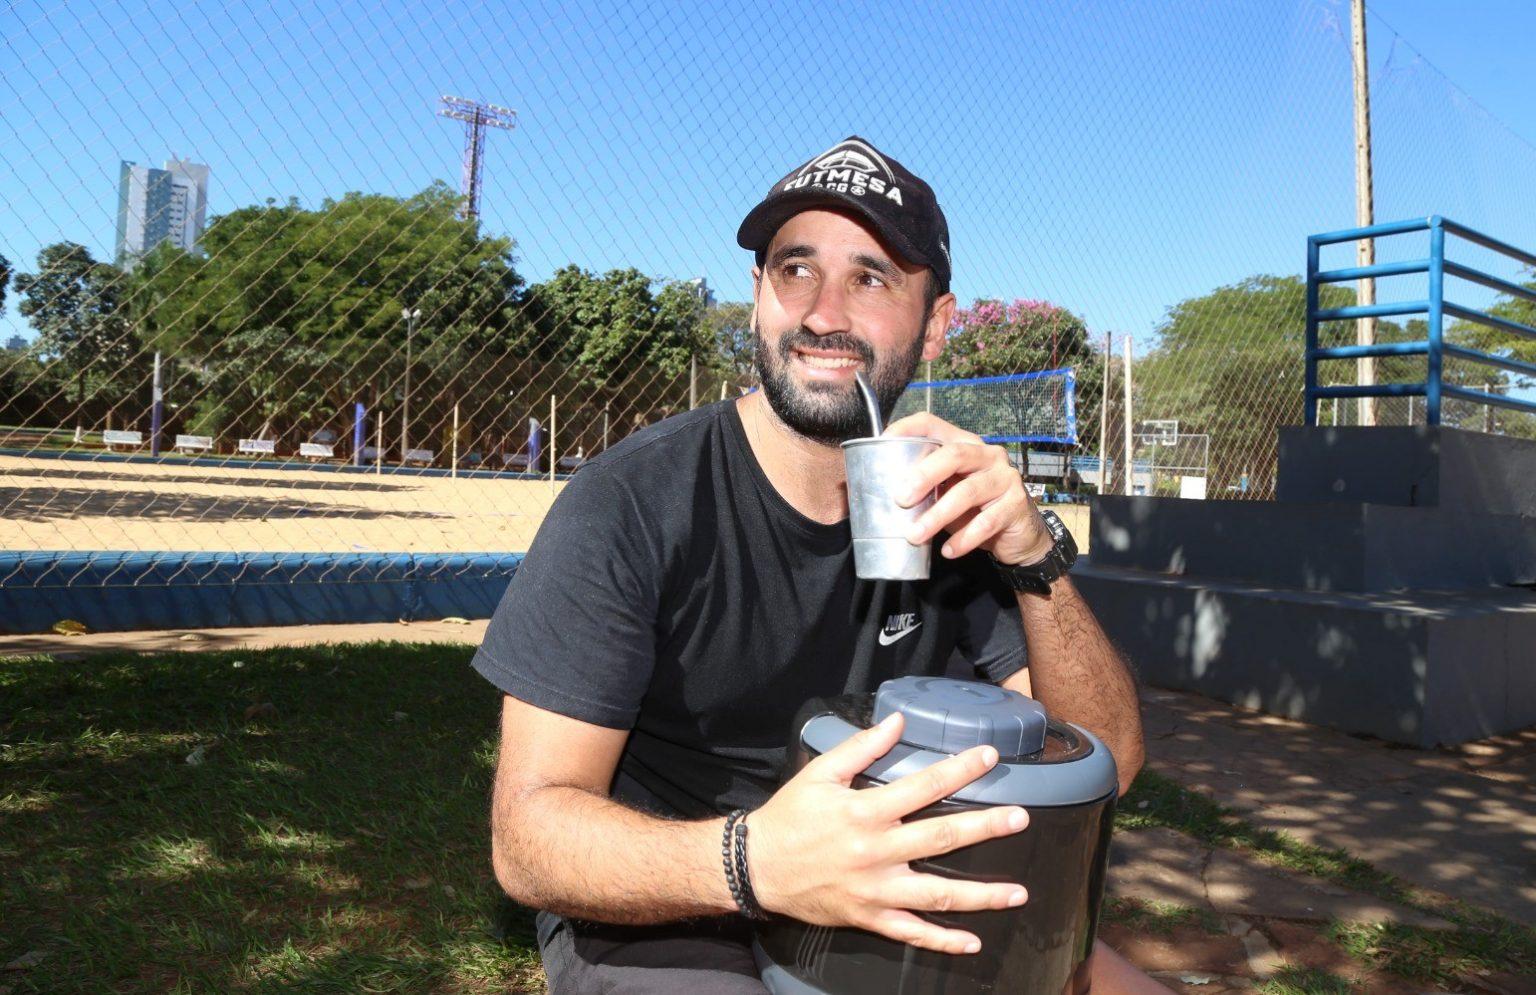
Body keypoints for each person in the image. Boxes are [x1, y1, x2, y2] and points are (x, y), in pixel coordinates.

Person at [473, 136, 1163, 993]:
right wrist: (754, 859)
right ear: (759, 295)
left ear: (938, 323)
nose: (825, 312)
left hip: (892, 885)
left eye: (870, 278)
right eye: (795, 271)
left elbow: (1111, 758)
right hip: (675, 905)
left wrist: (1033, 557)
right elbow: (529, 836)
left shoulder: (951, 513)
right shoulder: (631, 501)